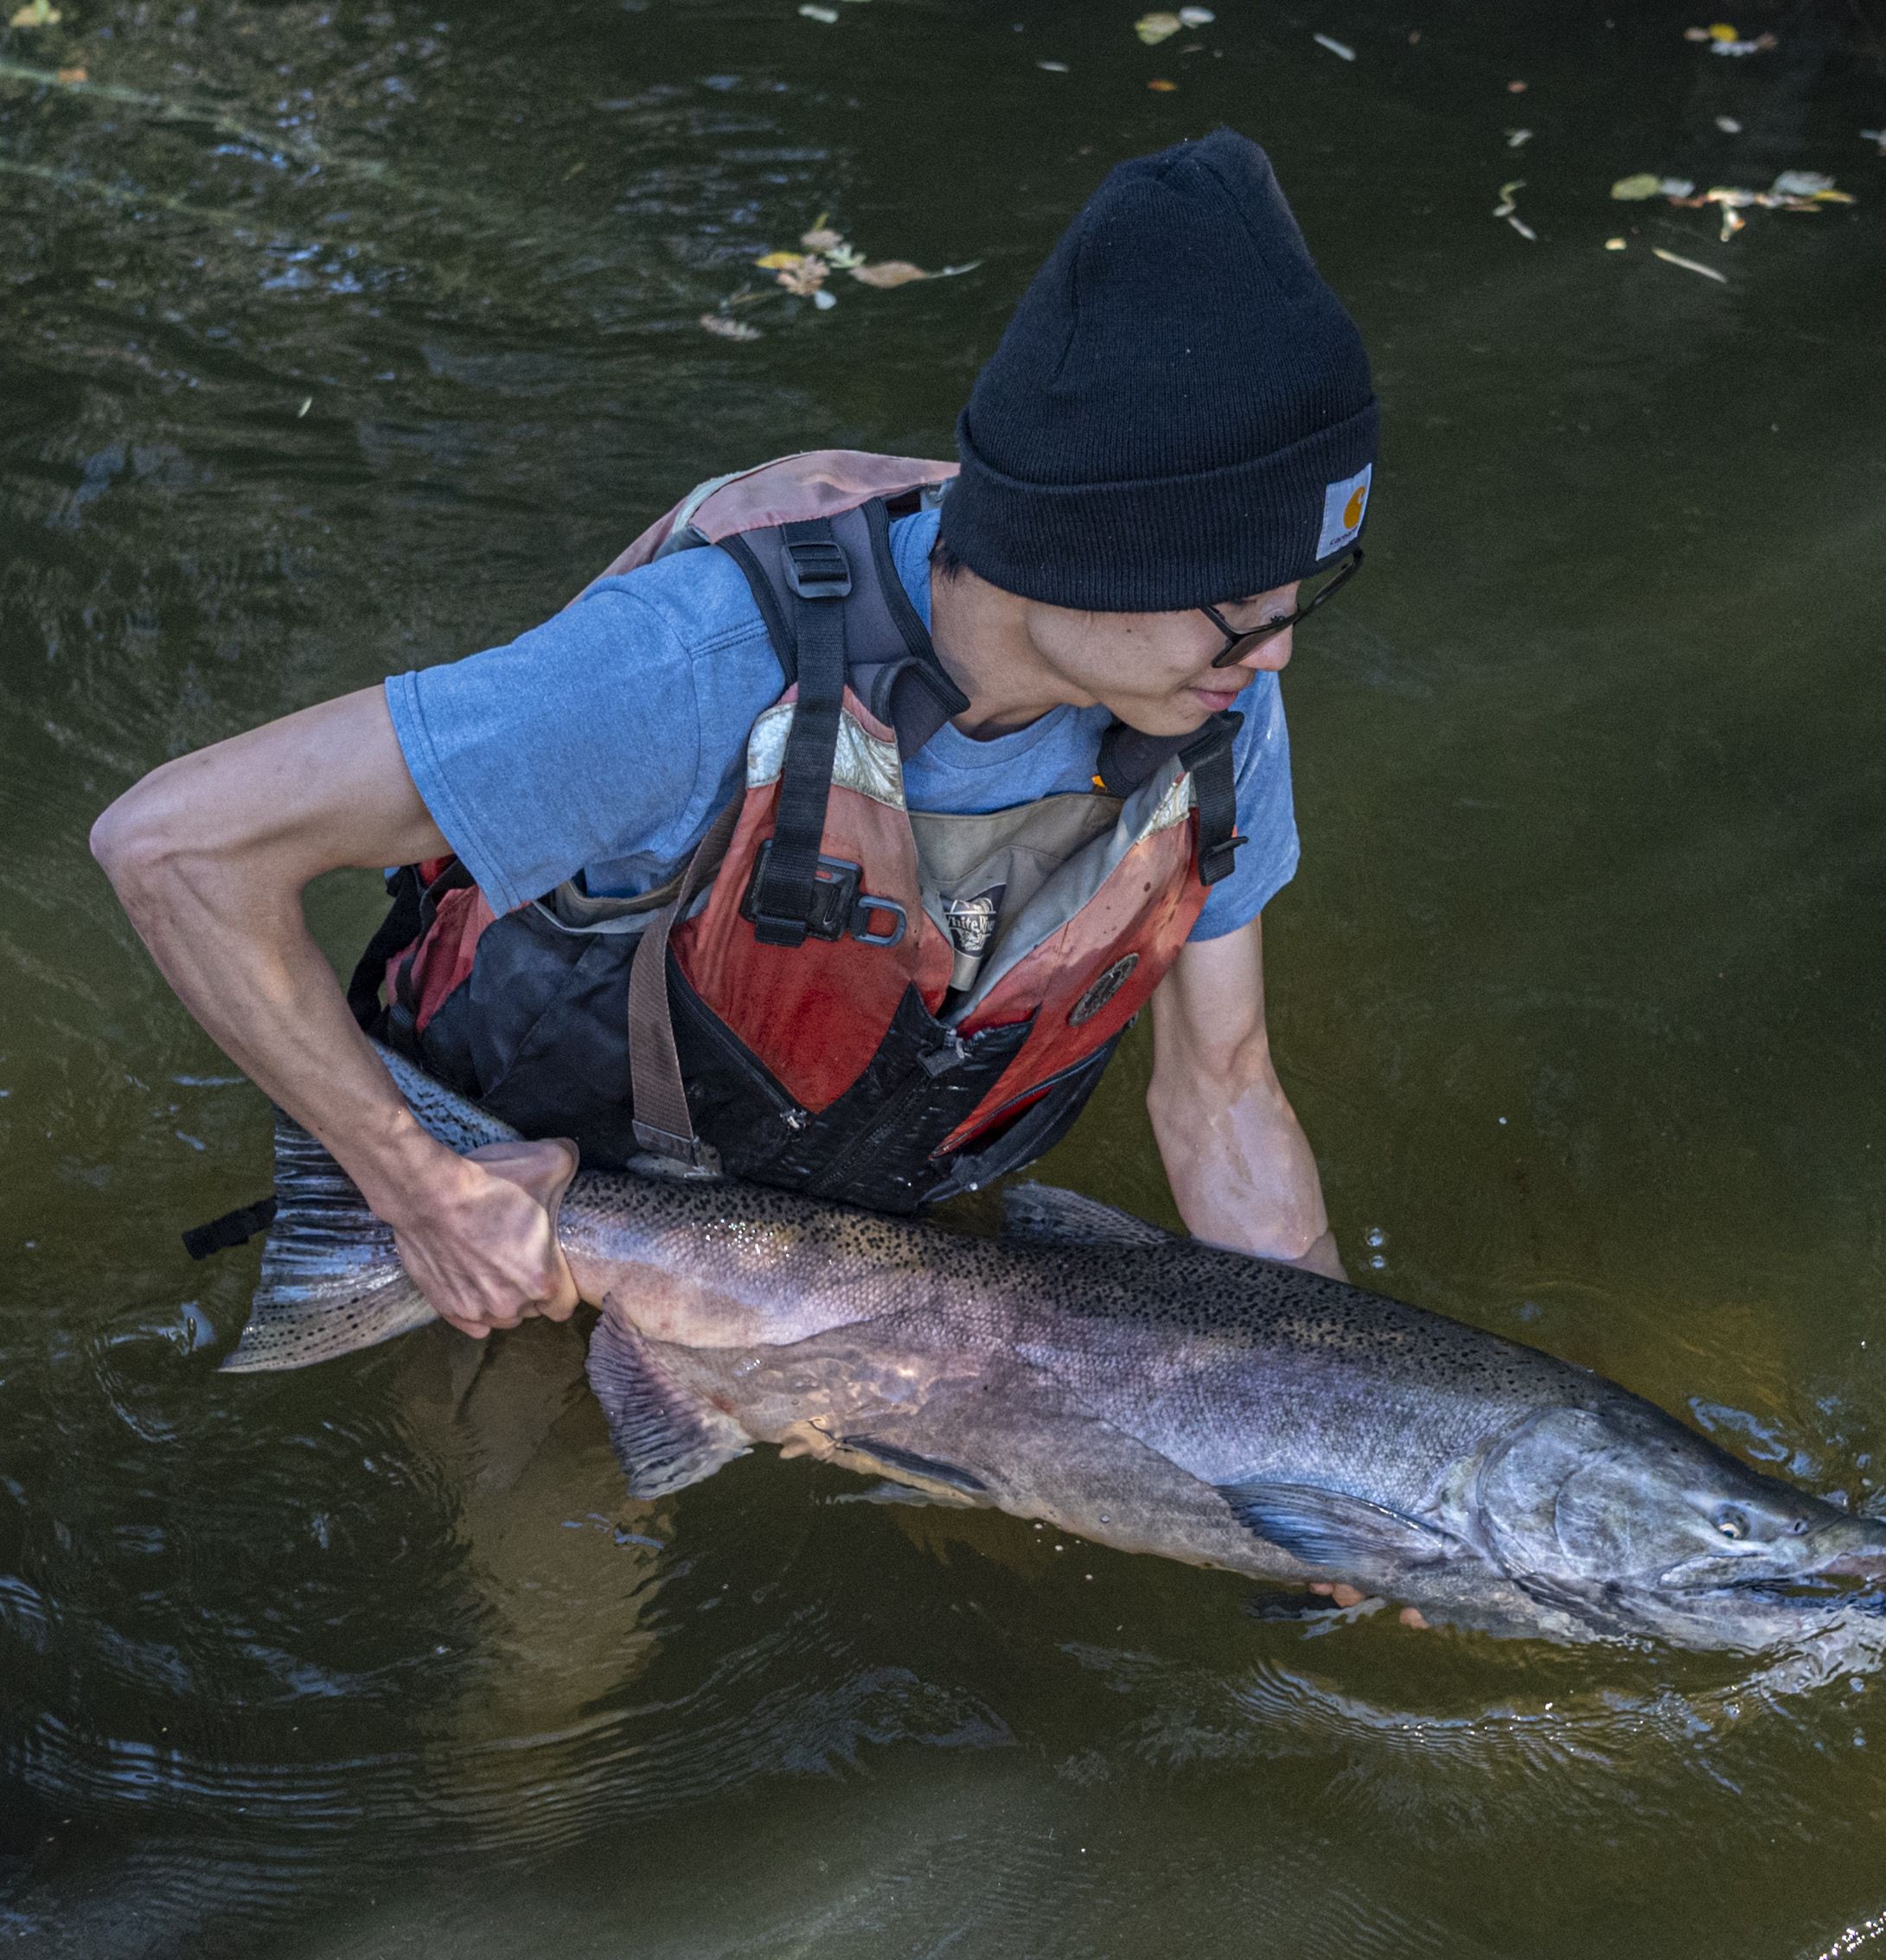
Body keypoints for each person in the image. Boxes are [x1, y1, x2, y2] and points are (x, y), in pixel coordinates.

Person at [90, 128, 1378, 1348]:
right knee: (573, 1554)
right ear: (1082, 554)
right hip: (538, 1220)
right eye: (1239, 612)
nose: (1274, 657)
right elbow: (175, 846)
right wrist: (417, 1186)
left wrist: (1354, 1437)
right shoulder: (689, 669)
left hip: (850, 1245)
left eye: (1299, 600)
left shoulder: (1202, 702)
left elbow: (1222, 1094)